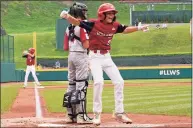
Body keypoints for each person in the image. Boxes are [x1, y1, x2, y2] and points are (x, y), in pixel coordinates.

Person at [60, 2, 149, 125]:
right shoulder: (93, 23)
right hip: (94, 57)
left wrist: (139, 28)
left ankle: (119, 113)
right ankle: (97, 114)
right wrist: (67, 17)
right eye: (109, 13)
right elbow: (77, 22)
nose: (111, 15)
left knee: (119, 82)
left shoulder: (114, 25)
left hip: (107, 57)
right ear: (102, 14)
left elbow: (125, 29)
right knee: (98, 82)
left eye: (112, 13)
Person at [62, 2, 92, 124]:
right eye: (84, 11)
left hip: (71, 56)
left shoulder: (68, 28)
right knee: (81, 85)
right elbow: (86, 44)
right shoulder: (83, 26)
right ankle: (81, 116)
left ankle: (70, 115)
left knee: (71, 85)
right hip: (81, 55)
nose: (85, 13)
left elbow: (65, 47)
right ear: (79, 12)